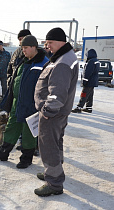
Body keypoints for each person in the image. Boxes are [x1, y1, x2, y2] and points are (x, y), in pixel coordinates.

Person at [0, 35, 48, 169]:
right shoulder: (24, 61)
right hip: (17, 102)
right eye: (22, 48)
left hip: (31, 104)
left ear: (34, 47)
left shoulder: (44, 63)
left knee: (28, 132)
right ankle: (3, 153)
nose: (23, 50)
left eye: (25, 48)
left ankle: (26, 158)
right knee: (11, 127)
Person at [33, 27, 79, 197]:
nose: (47, 46)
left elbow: (58, 92)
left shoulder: (62, 63)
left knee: (49, 146)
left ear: (61, 42)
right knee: (56, 142)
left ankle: (54, 183)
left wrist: (47, 111)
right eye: (46, 42)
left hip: (52, 114)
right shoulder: (65, 56)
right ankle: (53, 171)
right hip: (59, 112)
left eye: (50, 42)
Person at [6, 29, 31, 152]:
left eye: (23, 39)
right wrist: (9, 81)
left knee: (28, 119)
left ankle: (30, 146)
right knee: (15, 116)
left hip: (27, 92)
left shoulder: (35, 53)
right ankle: (17, 140)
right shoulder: (16, 52)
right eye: (20, 40)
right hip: (15, 89)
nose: (21, 42)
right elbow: (10, 68)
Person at [72, 49, 100, 113]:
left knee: (84, 94)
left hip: (89, 82)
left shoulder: (91, 61)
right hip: (93, 81)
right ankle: (89, 108)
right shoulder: (96, 60)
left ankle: (79, 107)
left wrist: (85, 80)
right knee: (90, 94)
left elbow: (88, 72)